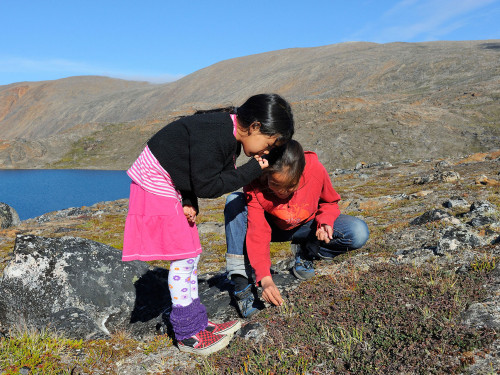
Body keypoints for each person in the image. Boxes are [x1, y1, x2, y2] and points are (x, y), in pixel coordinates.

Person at [122, 93, 294, 355]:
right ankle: (187, 335)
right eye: (268, 143)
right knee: (183, 258)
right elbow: (207, 184)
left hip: (169, 183)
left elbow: (185, 163)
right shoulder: (217, 134)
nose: (265, 151)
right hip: (155, 182)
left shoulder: (228, 134)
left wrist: (188, 199)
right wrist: (251, 170)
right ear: (255, 127)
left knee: (191, 255)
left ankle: (197, 322)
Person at [224, 140, 369, 318]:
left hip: (305, 226)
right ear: (267, 175)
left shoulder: (314, 168)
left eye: (291, 186)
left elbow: (329, 201)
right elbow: (258, 232)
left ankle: (307, 253)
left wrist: (325, 222)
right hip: (272, 228)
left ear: (301, 173)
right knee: (234, 202)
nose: (282, 193)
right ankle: (241, 284)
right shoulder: (255, 182)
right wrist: (265, 278)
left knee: (358, 232)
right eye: (275, 185)